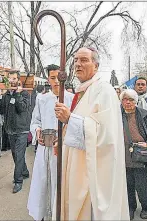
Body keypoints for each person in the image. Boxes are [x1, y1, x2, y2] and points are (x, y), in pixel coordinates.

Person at [53, 47, 129, 220]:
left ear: (96, 65)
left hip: (93, 172)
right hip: (75, 163)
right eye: (75, 60)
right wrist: (63, 140)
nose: (78, 64)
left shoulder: (105, 91)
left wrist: (69, 119)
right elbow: (83, 121)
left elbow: (105, 136)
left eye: (84, 60)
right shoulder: (83, 90)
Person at [27, 64, 74, 221]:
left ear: (64, 78)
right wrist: (38, 131)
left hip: (64, 148)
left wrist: (63, 136)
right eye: (52, 78)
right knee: (43, 181)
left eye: (58, 78)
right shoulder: (42, 99)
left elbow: (74, 122)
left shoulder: (71, 99)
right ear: (48, 79)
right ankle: (42, 213)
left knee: (60, 182)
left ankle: (59, 214)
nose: (55, 81)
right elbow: (35, 121)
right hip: (44, 149)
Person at [120, 89, 147, 220]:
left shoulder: (144, 114)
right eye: (125, 99)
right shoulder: (116, 115)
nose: (127, 102)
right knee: (127, 185)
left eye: (131, 99)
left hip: (141, 156)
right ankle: (131, 207)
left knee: (143, 185)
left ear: (136, 101)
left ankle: (146, 207)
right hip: (123, 156)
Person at [0, 71, 31, 193]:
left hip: (22, 130)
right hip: (10, 130)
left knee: (19, 155)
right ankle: (24, 172)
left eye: (14, 78)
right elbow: (1, 110)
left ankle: (18, 181)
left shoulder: (25, 93)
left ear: (18, 80)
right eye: (10, 78)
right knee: (16, 155)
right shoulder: (6, 95)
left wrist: (18, 95)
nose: (11, 80)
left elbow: (22, 109)